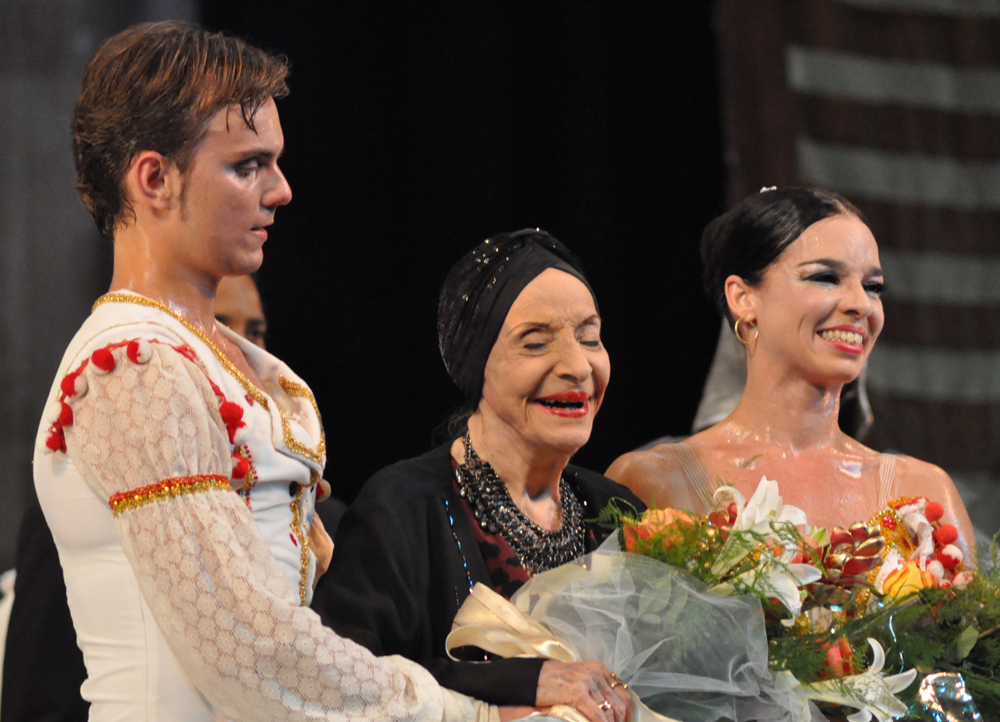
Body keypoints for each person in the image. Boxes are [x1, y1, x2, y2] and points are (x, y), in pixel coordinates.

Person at [34, 21, 501, 722]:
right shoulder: (134, 368)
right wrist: (466, 712)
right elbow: (244, 649)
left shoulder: (220, 359)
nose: (280, 190)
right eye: (247, 166)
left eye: (274, 163)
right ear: (155, 178)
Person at [312, 230, 643, 722]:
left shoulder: (616, 512)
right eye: (535, 343)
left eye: (590, 338)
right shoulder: (405, 506)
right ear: (476, 364)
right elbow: (340, 679)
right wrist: (526, 682)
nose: (578, 366)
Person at [607, 187, 976, 564]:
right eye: (826, 277)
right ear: (743, 298)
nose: (861, 304)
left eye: (873, 287)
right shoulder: (655, 482)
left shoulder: (923, 494)